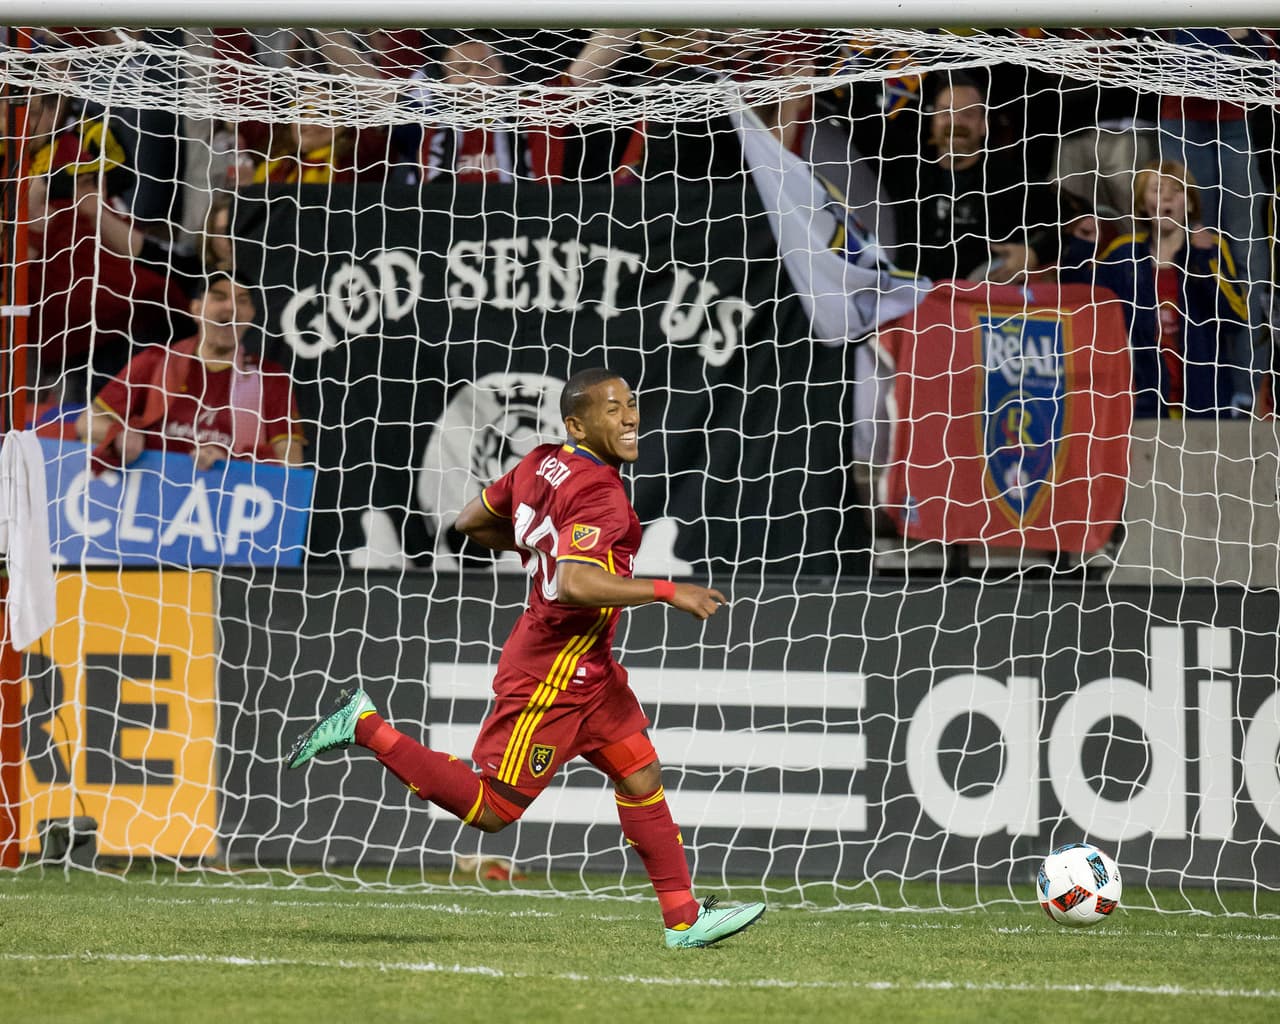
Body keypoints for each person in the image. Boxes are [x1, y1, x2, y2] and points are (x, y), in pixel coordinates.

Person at [286, 367, 766, 949]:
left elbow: (469, 521)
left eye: (632, 404)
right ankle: (365, 727)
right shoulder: (601, 492)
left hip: (590, 666)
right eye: (612, 409)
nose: (631, 417)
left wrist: (536, 543)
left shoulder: (540, 460)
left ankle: (685, 919)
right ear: (577, 424)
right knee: (493, 809)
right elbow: (574, 584)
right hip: (554, 671)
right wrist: (671, 591)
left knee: (640, 771)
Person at [77, 271, 305, 469]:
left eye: (243, 300)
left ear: (251, 316)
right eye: (219, 296)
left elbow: (292, 461)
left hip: (226, 505)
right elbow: (88, 421)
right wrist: (119, 435)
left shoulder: (271, 379)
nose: (232, 307)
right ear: (195, 308)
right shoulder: (155, 362)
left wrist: (232, 463)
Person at [1086, 160, 1250, 418]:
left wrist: (1204, 262)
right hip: (1142, 403)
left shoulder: (1212, 248)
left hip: (1203, 405)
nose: (1167, 197)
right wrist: (1082, 249)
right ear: (1142, 204)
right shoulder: (1123, 253)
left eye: (1177, 190)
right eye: (1157, 189)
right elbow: (1086, 306)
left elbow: (1235, 317)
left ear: (1191, 203)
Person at [885, 73, 1061, 284]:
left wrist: (1033, 253)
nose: (955, 122)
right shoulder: (905, 171)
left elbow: (1077, 221)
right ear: (933, 121)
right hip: (909, 300)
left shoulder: (1012, 180)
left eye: (967, 114)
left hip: (978, 305)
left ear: (983, 124)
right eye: (945, 113)